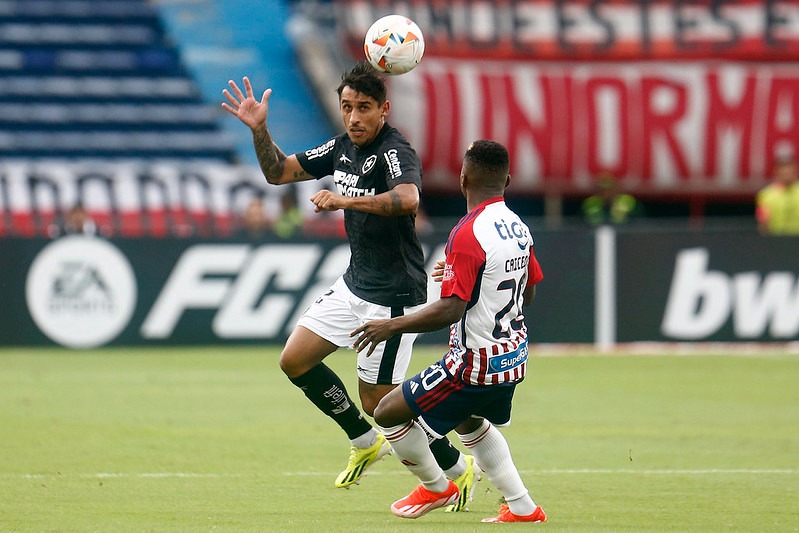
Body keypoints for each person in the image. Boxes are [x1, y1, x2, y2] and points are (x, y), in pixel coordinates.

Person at [221, 62, 477, 507]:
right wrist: (259, 130)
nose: (354, 117)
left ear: (384, 110)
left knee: (383, 405)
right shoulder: (340, 148)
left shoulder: (395, 150)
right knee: (295, 360)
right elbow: (278, 171)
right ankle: (363, 441)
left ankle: (454, 469)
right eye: (347, 107)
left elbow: (409, 199)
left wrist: (345, 199)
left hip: (393, 296)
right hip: (354, 285)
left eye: (363, 108)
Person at [351, 140, 547, 523]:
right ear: (506, 180)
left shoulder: (469, 231)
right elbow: (529, 288)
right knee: (468, 420)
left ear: (463, 179)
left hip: (473, 363)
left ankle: (436, 487)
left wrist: (390, 325)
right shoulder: (517, 226)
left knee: (386, 411)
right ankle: (522, 507)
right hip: (512, 357)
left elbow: (450, 309)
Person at [755, 156, 799, 235]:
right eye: (784, 172)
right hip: (777, 240)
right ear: (777, 173)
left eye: (789, 172)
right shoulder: (766, 194)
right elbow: (763, 221)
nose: (787, 174)